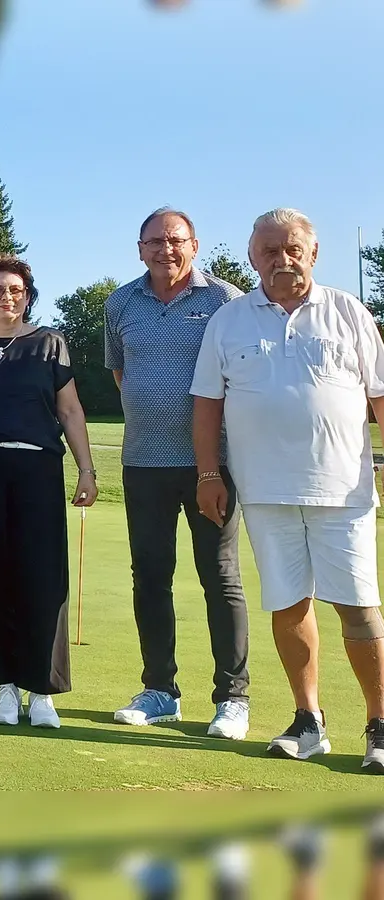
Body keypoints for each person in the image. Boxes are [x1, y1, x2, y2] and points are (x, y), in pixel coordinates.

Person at [191, 208, 384, 773]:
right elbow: (207, 404)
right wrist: (208, 474)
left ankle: (378, 724)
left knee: (359, 607)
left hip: (344, 490)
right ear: (253, 258)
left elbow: (379, 395)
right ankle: (308, 720)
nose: (282, 260)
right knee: (287, 603)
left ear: (313, 252)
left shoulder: (349, 310)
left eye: (293, 249)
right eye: (269, 251)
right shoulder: (229, 321)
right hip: (264, 491)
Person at [106, 207, 250, 740]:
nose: (165, 249)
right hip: (143, 461)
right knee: (150, 577)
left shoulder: (225, 300)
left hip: (212, 465)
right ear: (139, 248)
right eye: (154, 241)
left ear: (194, 245)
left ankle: (232, 698)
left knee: (221, 578)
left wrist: (212, 458)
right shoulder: (120, 303)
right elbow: (121, 372)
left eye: (175, 240)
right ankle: (160, 690)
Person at [0, 255, 98, 729]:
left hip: (37, 467)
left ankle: (41, 690)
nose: (6, 297)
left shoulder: (50, 344)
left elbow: (70, 411)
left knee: (41, 578)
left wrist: (87, 469)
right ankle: (5, 687)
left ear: (28, 296)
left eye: (15, 290)